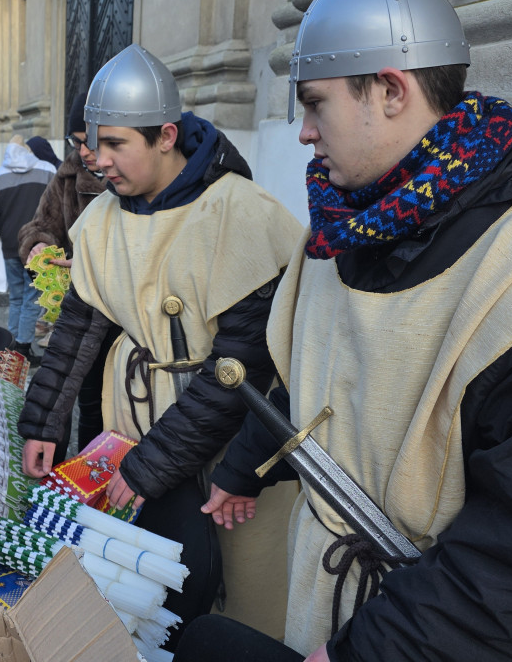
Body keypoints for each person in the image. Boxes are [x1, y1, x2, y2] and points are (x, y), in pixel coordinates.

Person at [197, 0, 512, 661]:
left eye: (315, 104)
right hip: (330, 609)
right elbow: (316, 381)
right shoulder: (342, 231)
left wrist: (367, 652)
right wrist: (241, 468)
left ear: (390, 89)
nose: (304, 133)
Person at [18, 44, 303, 645]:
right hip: (138, 418)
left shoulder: (239, 214)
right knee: (148, 584)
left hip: (229, 440)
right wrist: (43, 422)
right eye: (94, 143)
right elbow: (77, 329)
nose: (97, 160)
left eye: (116, 143)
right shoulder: (102, 218)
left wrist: (153, 464)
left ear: (167, 135)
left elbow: (242, 364)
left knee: (243, 591)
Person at [17, 91, 111, 449]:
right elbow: (39, 223)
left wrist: (92, 262)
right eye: (77, 142)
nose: (85, 152)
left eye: (93, 142)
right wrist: (38, 243)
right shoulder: (67, 176)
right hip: (78, 313)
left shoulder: (131, 175)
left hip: (123, 321)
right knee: (85, 404)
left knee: (116, 410)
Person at [0, 134, 57, 364]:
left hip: (11, 246)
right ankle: (24, 347)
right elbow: (57, 207)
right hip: (38, 245)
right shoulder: (47, 170)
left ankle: (12, 345)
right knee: (32, 297)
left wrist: (5, 230)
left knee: (15, 297)